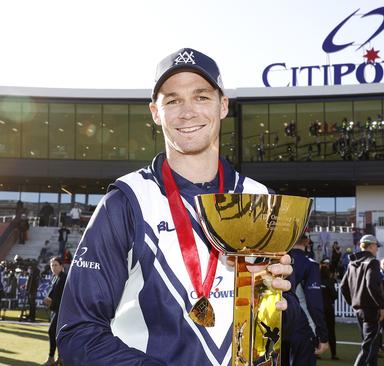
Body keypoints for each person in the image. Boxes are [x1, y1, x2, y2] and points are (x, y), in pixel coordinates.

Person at [57, 48, 295, 365]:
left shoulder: (260, 198)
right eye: (173, 100)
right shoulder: (128, 200)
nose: (187, 112)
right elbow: (77, 333)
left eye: (201, 97)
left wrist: (278, 298)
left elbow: (271, 333)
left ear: (223, 105)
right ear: (156, 112)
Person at [283, 234, 329, 366]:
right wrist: (323, 336)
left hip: (277, 324)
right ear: (307, 242)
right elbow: (314, 304)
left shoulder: (276, 260)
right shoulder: (309, 264)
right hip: (301, 327)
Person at [341, 234, 384, 366]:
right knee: (368, 347)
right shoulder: (372, 261)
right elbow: (371, 285)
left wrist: (353, 303)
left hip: (359, 310)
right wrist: (382, 306)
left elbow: (343, 287)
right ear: (371, 246)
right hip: (371, 310)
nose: (377, 250)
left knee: (370, 345)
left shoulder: (352, 263)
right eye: (376, 247)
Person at [42, 257, 67, 366]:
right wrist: (47, 299)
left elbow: (64, 296)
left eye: (56, 265)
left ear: (62, 266)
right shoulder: (55, 278)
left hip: (62, 311)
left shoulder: (64, 278)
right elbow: (52, 294)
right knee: (55, 333)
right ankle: (58, 358)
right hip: (55, 310)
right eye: (52, 265)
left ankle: (54, 357)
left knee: (52, 332)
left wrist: (51, 301)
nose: (53, 267)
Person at [320, 260, 339, 360]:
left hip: (318, 310)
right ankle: (334, 354)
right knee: (331, 332)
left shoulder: (316, 281)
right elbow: (335, 296)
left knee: (318, 330)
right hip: (328, 310)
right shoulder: (330, 281)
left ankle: (317, 352)